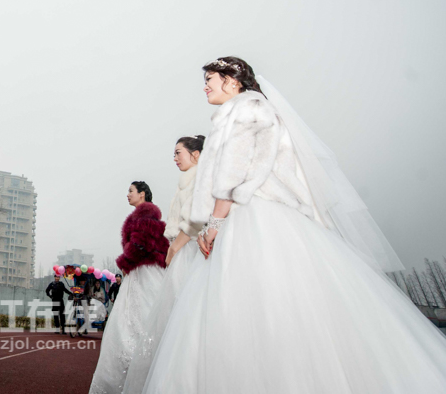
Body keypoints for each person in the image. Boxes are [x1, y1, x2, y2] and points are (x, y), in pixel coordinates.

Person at [140, 57, 446, 393]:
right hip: (276, 216)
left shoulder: (240, 112)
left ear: (233, 81)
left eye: (211, 78)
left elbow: (232, 172)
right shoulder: (262, 110)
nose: (205, 85)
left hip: (250, 216)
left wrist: (213, 223)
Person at [121, 135, 206, 394]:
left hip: (185, 251)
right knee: (176, 319)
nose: (175, 158)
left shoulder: (198, 182)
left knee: (178, 318)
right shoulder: (186, 183)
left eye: (178, 152)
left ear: (196, 155)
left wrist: (174, 248)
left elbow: (193, 220)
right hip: (180, 250)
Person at [88, 182, 168, 394]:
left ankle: (138, 373)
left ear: (142, 194)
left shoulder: (146, 216)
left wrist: (125, 262)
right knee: (134, 320)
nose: (127, 195)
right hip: (140, 273)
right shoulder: (144, 216)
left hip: (143, 273)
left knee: (139, 320)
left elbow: (141, 243)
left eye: (131, 191)